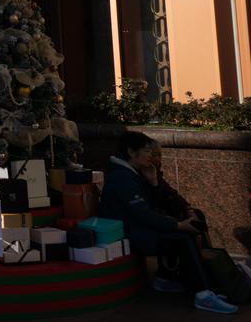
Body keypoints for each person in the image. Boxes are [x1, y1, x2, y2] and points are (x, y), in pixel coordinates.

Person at [99, 131, 236, 314]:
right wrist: (176, 225)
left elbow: (157, 203)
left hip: (138, 228)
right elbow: (143, 214)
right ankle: (203, 294)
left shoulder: (134, 173)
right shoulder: (121, 177)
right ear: (131, 152)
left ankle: (194, 283)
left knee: (185, 228)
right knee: (182, 237)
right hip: (129, 233)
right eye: (147, 151)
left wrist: (154, 182)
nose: (151, 156)